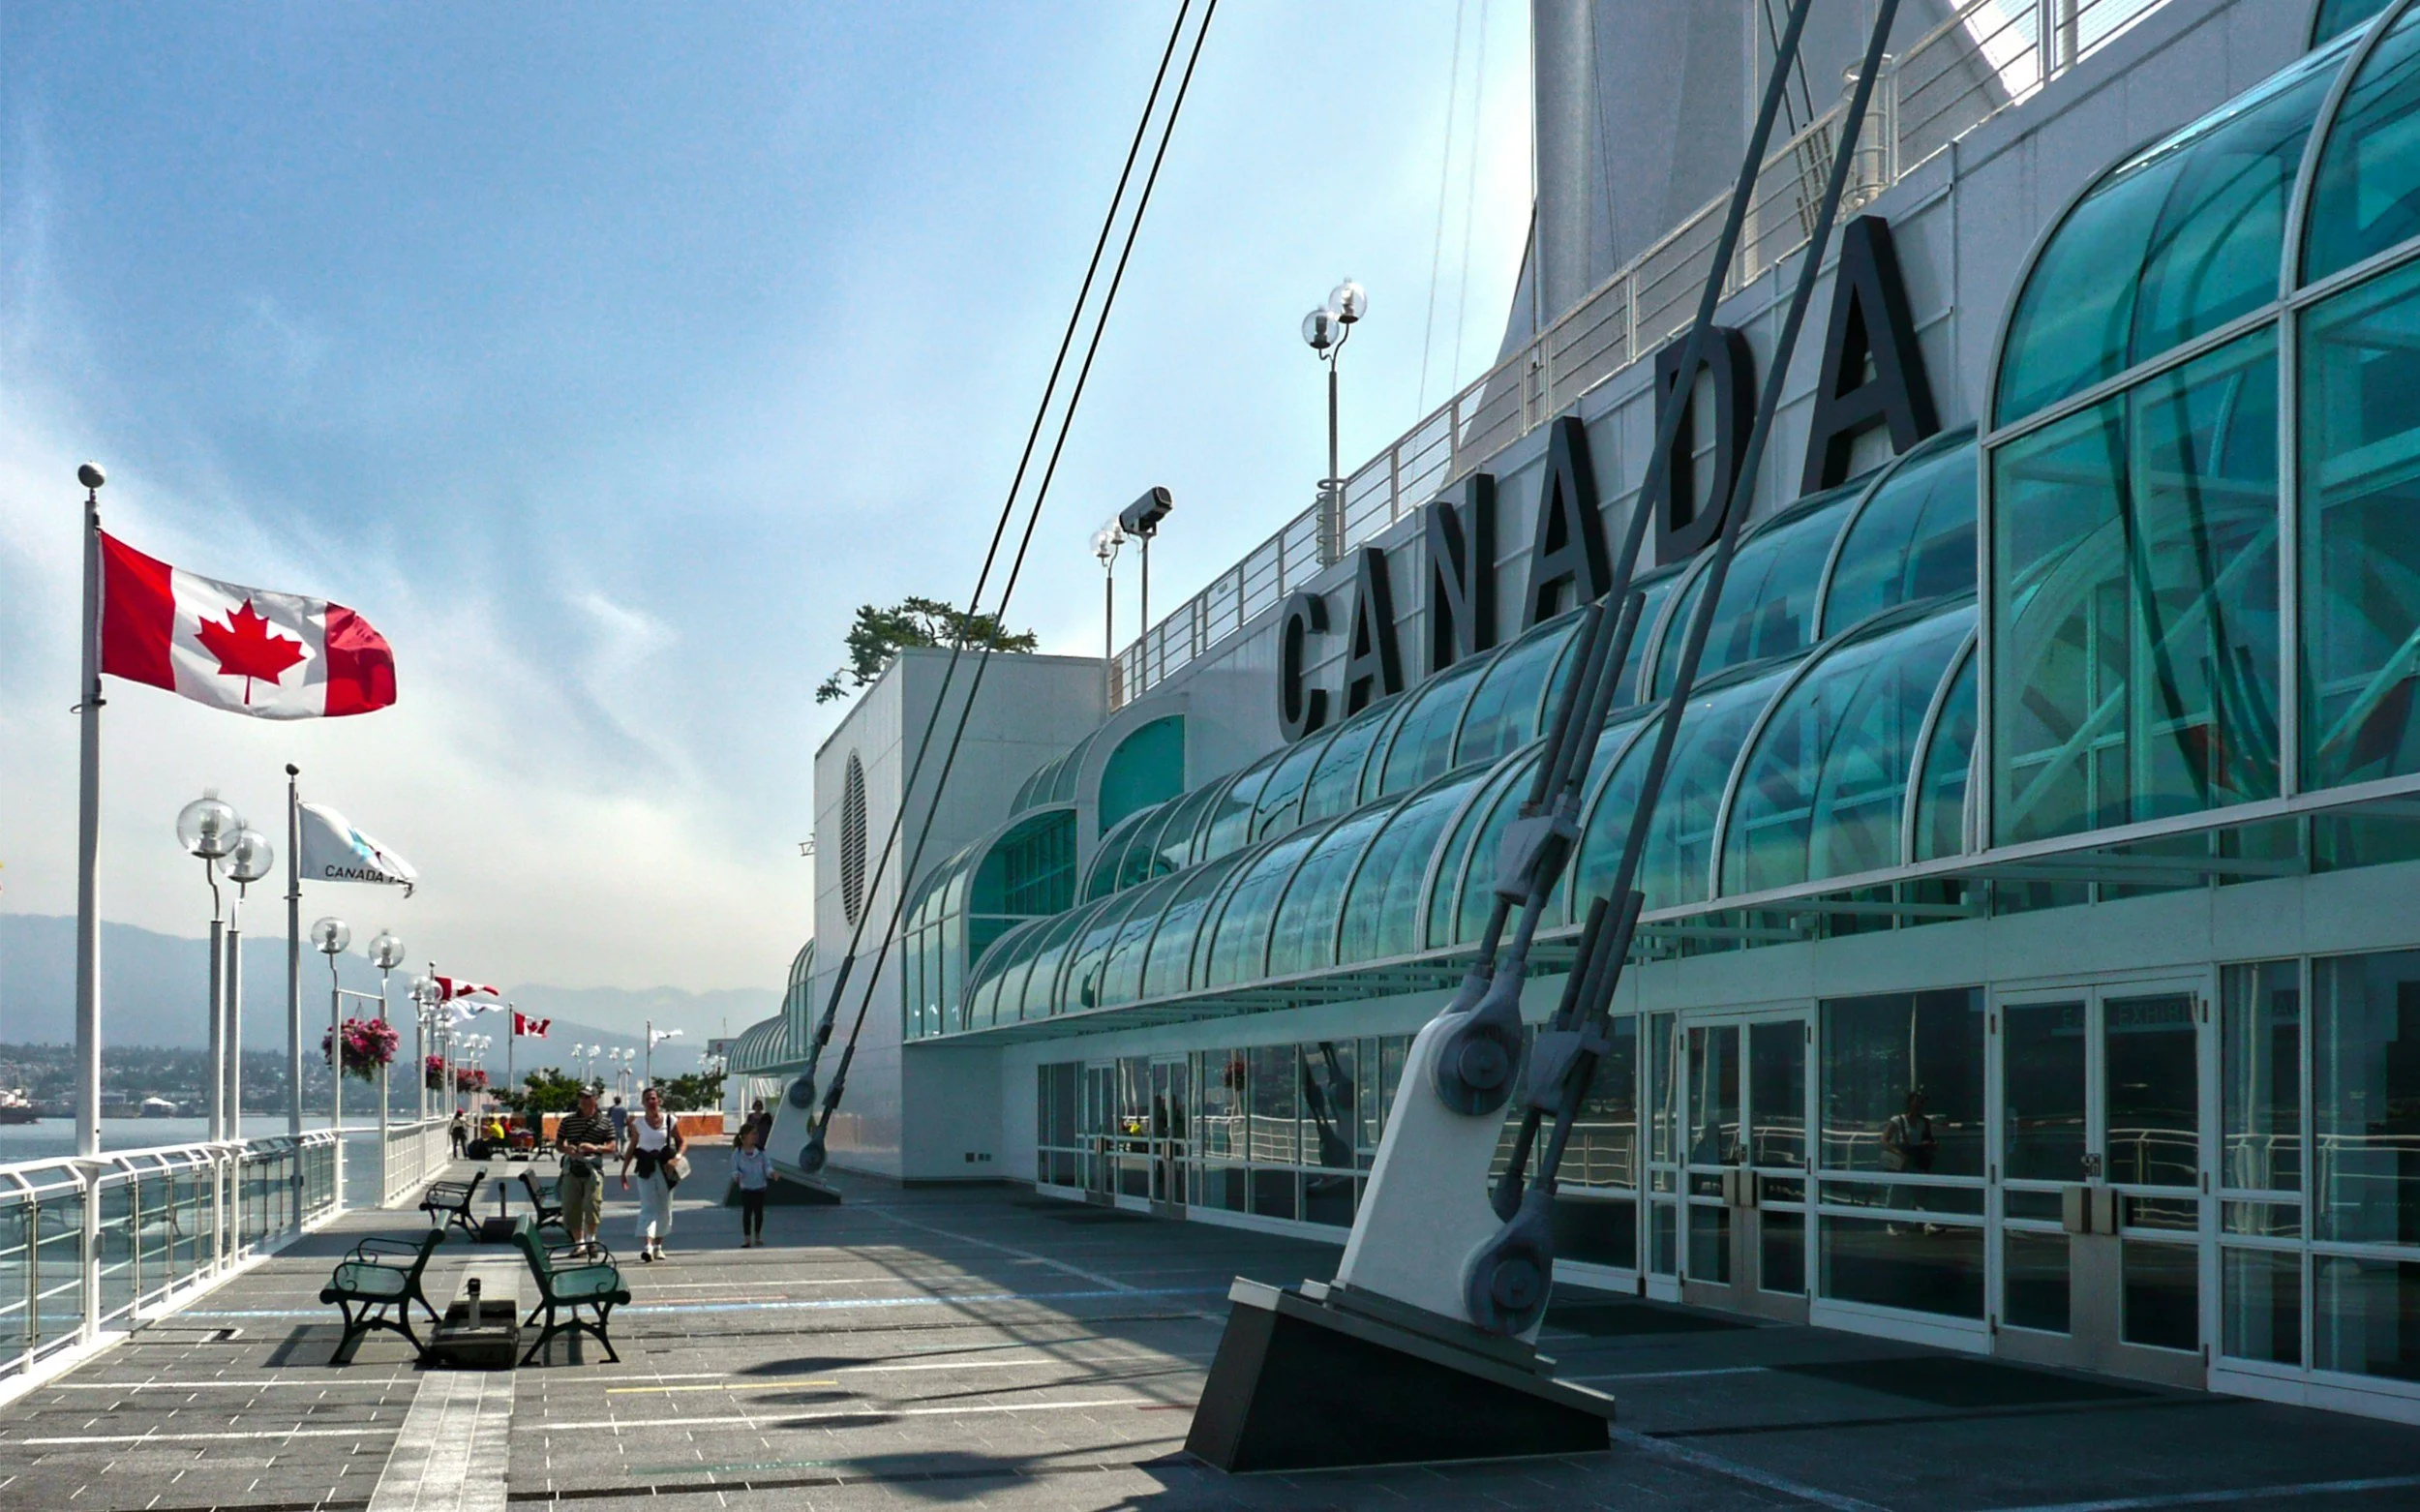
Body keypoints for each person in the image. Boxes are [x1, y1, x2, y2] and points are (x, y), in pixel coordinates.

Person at [619, 1085, 684, 1262]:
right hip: (646, 1168)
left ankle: (658, 1246)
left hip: (666, 1169)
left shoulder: (670, 1120)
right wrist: (624, 1171)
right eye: (647, 1099)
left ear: (659, 1101)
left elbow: (682, 1142)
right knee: (648, 1206)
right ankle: (647, 1246)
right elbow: (632, 1147)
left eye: (654, 1098)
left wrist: (676, 1158)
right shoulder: (637, 1124)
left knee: (664, 1207)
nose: (651, 1102)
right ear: (642, 1103)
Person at [554, 1085, 617, 1257]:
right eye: (581, 1097)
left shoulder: (605, 1122)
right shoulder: (568, 1121)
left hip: (593, 1168)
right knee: (571, 1207)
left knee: (592, 1204)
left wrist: (594, 1147)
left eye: (587, 1097)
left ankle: (591, 1240)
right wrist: (568, 1150)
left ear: (595, 1099)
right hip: (572, 1167)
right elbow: (559, 1143)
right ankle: (579, 1243)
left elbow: (612, 1147)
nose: (583, 1100)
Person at [732, 1122, 775, 1247]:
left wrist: (772, 1173)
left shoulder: (761, 1151)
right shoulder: (738, 1152)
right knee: (747, 1213)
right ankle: (746, 1238)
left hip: (760, 1186)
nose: (756, 1136)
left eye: (756, 1134)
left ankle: (757, 1236)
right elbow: (734, 1169)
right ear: (745, 1136)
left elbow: (767, 1166)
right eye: (753, 1134)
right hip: (746, 1187)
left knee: (759, 1213)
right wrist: (737, 1175)